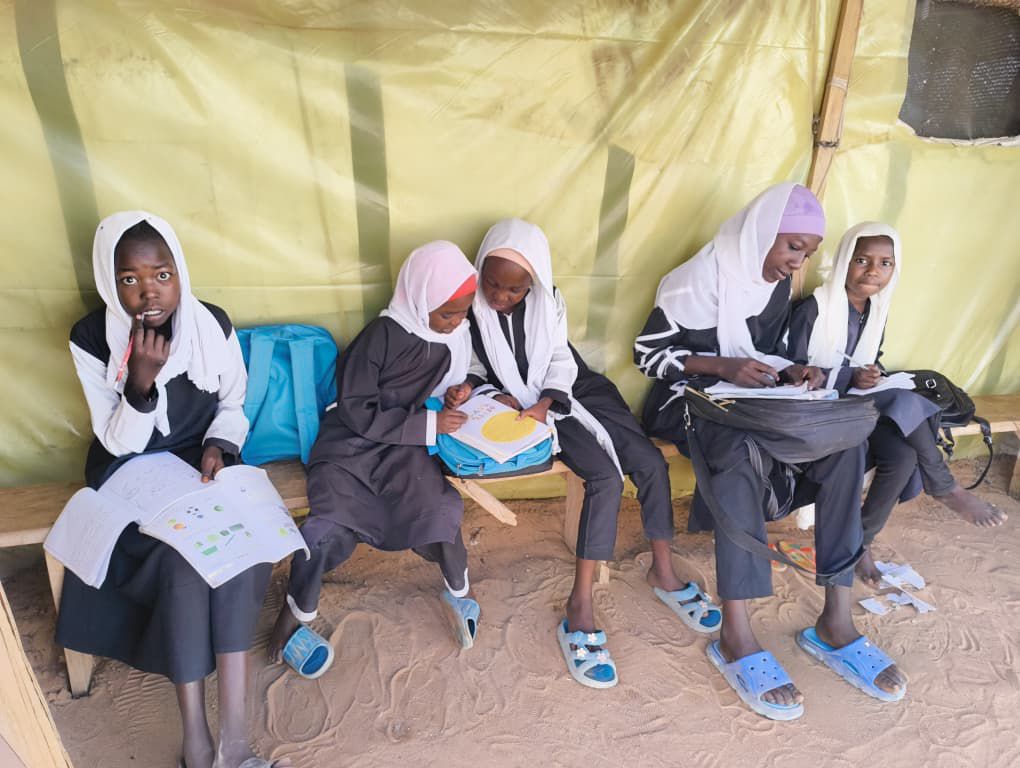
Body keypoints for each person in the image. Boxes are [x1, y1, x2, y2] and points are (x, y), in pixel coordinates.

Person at [634, 184, 907, 720]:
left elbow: (766, 354)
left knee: (844, 446)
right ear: (760, 233)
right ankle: (736, 630)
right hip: (686, 399)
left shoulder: (775, 285)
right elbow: (648, 356)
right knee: (734, 451)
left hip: (750, 398)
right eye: (792, 247)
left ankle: (836, 619)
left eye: (807, 252)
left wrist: (794, 371)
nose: (797, 262)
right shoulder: (694, 280)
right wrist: (722, 367)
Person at [59, 212, 286, 768]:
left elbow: (232, 404)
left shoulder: (211, 324)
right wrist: (139, 382)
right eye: (129, 280)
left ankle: (234, 743)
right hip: (130, 470)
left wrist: (220, 445)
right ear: (109, 282)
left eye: (161, 275)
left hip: (199, 466)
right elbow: (116, 441)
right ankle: (197, 743)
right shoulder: (92, 337)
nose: (148, 293)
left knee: (240, 551)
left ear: (180, 270)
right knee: (183, 563)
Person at [466, 218, 717, 691]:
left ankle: (663, 571)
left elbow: (561, 358)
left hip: (570, 390)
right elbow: (472, 367)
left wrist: (549, 398)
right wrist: (493, 394)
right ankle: (580, 604)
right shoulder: (470, 312)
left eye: (514, 289)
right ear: (481, 272)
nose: (501, 296)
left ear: (533, 283)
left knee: (649, 462)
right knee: (604, 478)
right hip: (523, 404)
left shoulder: (547, 302)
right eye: (493, 284)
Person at [268, 241, 482, 662]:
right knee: (328, 522)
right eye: (447, 313)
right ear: (419, 298)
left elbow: (448, 380)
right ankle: (293, 614)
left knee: (436, 506)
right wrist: (429, 425)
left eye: (463, 312)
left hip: (402, 445)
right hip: (350, 443)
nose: (457, 322)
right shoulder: (380, 336)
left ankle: (459, 592)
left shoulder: (453, 335)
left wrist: (457, 392)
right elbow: (355, 408)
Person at [787, 222, 1005, 585]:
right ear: (844, 260)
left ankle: (860, 544)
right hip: (815, 412)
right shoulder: (815, 308)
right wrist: (850, 377)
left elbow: (867, 358)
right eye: (862, 259)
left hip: (855, 408)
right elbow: (791, 373)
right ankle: (944, 486)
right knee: (906, 400)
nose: (873, 270)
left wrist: (874, 374)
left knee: (902, 456)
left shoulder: (875, 310)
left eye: (885, 263)